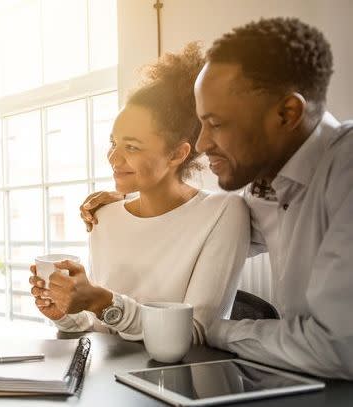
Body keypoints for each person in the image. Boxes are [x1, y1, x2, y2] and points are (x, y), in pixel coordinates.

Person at [82, 18, 353, 379]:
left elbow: (337, 348)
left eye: (217, 123)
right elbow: (195, 222)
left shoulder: (345, 172)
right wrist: (130, 205)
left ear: (287, 113)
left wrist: (208, 328)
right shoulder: (266, 192)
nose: (202, 144)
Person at [29, 44, 250, 345]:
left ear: (177, 154)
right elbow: (102, 327)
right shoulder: (103, 216)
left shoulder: (223, 212)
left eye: (131, 147)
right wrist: (64, 312)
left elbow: (195, 333)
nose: (113, 158)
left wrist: (101, 301)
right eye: (113, 143)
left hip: (178, 382)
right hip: (108, 383)